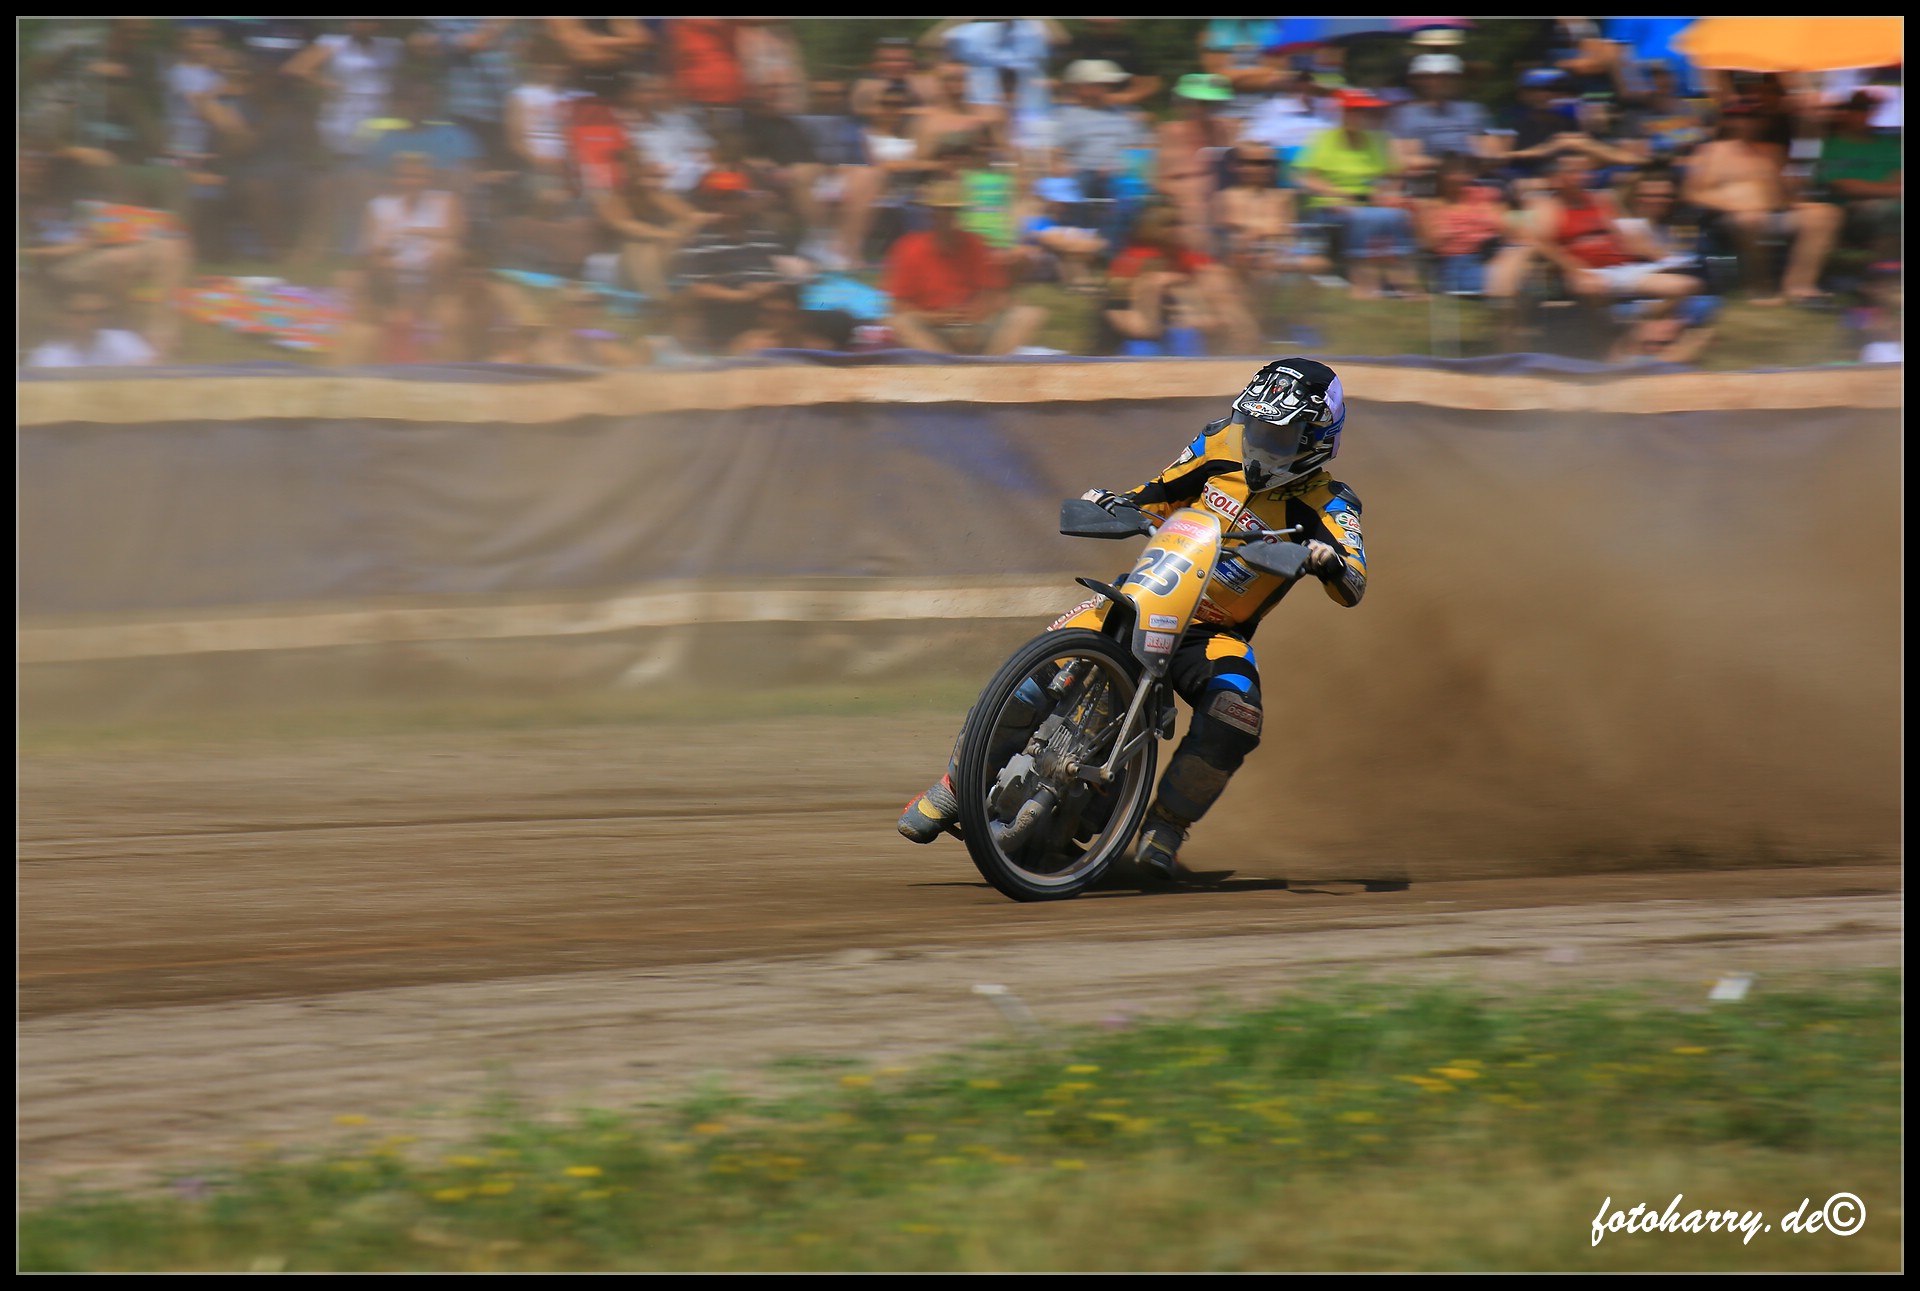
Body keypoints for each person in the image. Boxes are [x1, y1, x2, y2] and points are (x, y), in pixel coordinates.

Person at [898, 358, 1367, 883]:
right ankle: (955, 784)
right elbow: (1157, 492)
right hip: (1143, 594)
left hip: (1213, 634)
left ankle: (1166, 825)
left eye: (1276, 433)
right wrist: (1119, 502)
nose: (1258, 440)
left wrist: (1328, 562)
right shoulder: (1218, 441)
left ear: (1315, 440)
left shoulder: (1331, 503)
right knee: (1032, 674)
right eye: (1254, 425)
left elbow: (1354, 582)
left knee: (1236, 713)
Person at [1683, 99, 1843, 304]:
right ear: (1726, 120)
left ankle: (1800, 286)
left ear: (1760, 122)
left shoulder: (1773, 151)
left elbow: (1792, 189)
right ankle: (1759, 287)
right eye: (1737, 117)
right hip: (1729, 218)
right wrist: (1735, 206)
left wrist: (1810, 127)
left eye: (1750, 117)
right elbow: (1692, 193)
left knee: (1824, 214)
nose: (1744, 122)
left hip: (1774, 213)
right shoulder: (1708, 152)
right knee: (1751, 218)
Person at [882, 177, 1045, 356]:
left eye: (955, 210)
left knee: (1027, 315)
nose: (951, 216)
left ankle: (989, 364)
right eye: (945, 210)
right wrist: (934, 318)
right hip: (931, 329)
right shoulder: (908, 247)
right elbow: (898, 306)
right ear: (932, 213)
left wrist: (976, 317)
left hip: (973, 328)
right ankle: (946, 365)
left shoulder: (975, 244)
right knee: (898, 323)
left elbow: (993, 294)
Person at [1294, 88, 1422, 299]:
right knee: (1365, 218)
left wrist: (1387, 193)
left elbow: (1393, 176)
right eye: (1354, 111)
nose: (1359, 116)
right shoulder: (1324, 139)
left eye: (1363, 111)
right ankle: (1364, 283)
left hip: (1368, 204)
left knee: (1397, 215)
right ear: (1343, 113)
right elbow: (1306, 178)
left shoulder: (1378, 140)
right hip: (1330, 204)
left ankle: (1403, 283)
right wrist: (1338, 195)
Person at [27, 288, 158, 367]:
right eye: (80, 313)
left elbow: (150, 379)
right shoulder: (46, 357)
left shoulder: (125, 341)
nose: (90, 319)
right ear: (63, 318)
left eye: (97, 313)